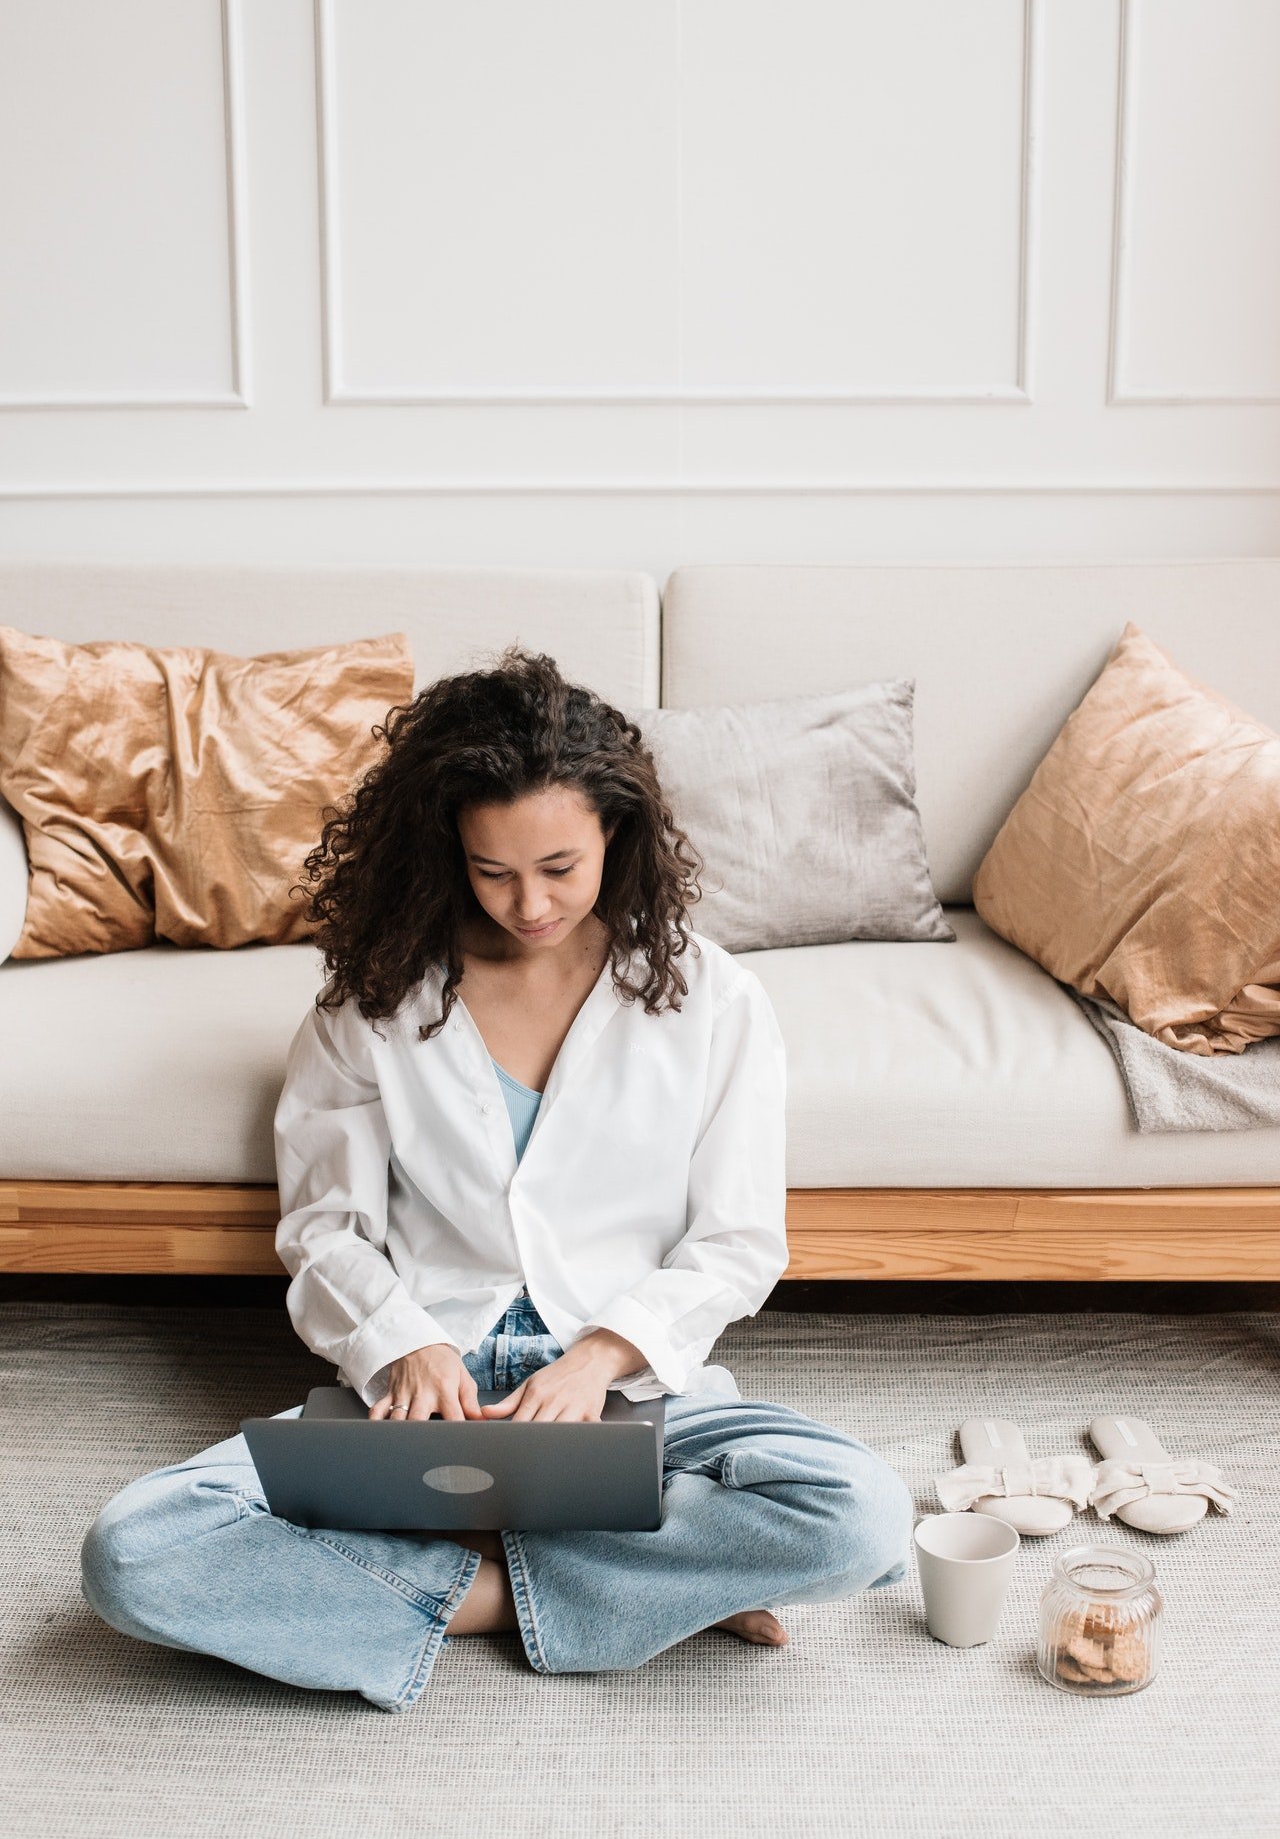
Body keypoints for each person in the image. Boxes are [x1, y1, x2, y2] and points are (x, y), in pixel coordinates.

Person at [79, 646, 913, 1714]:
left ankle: (453, 1579)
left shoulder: (715, 1002)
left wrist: (600, 1358)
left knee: (861, 1516)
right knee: (133, 1554)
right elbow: (325, 1230)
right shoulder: (372, 1000)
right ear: (446, 851)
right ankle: (619, 1593)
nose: (530, 905)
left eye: (560, 867)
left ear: (616, 832)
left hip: (629, 1391)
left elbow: (737, 1241)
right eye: (494, 871)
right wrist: (404, 1343)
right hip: (429, 1392)